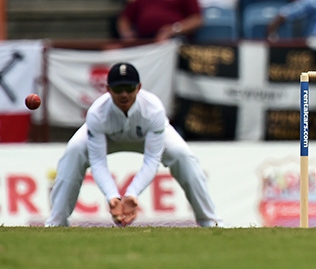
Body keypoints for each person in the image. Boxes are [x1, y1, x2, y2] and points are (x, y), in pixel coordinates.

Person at [46, 62, 222, 228]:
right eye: (118, 89)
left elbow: (152, 159)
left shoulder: (153, 110)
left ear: (139, 88)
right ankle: (57, 221)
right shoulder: (97, 113)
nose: (124, 94)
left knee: (181, 154)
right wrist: (112, 197)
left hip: (146, 135)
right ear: (108, 90)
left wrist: (132, 194)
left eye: (129, 88)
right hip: (108, 137)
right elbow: (98, 162)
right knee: (75, 150)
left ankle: (209, 220)